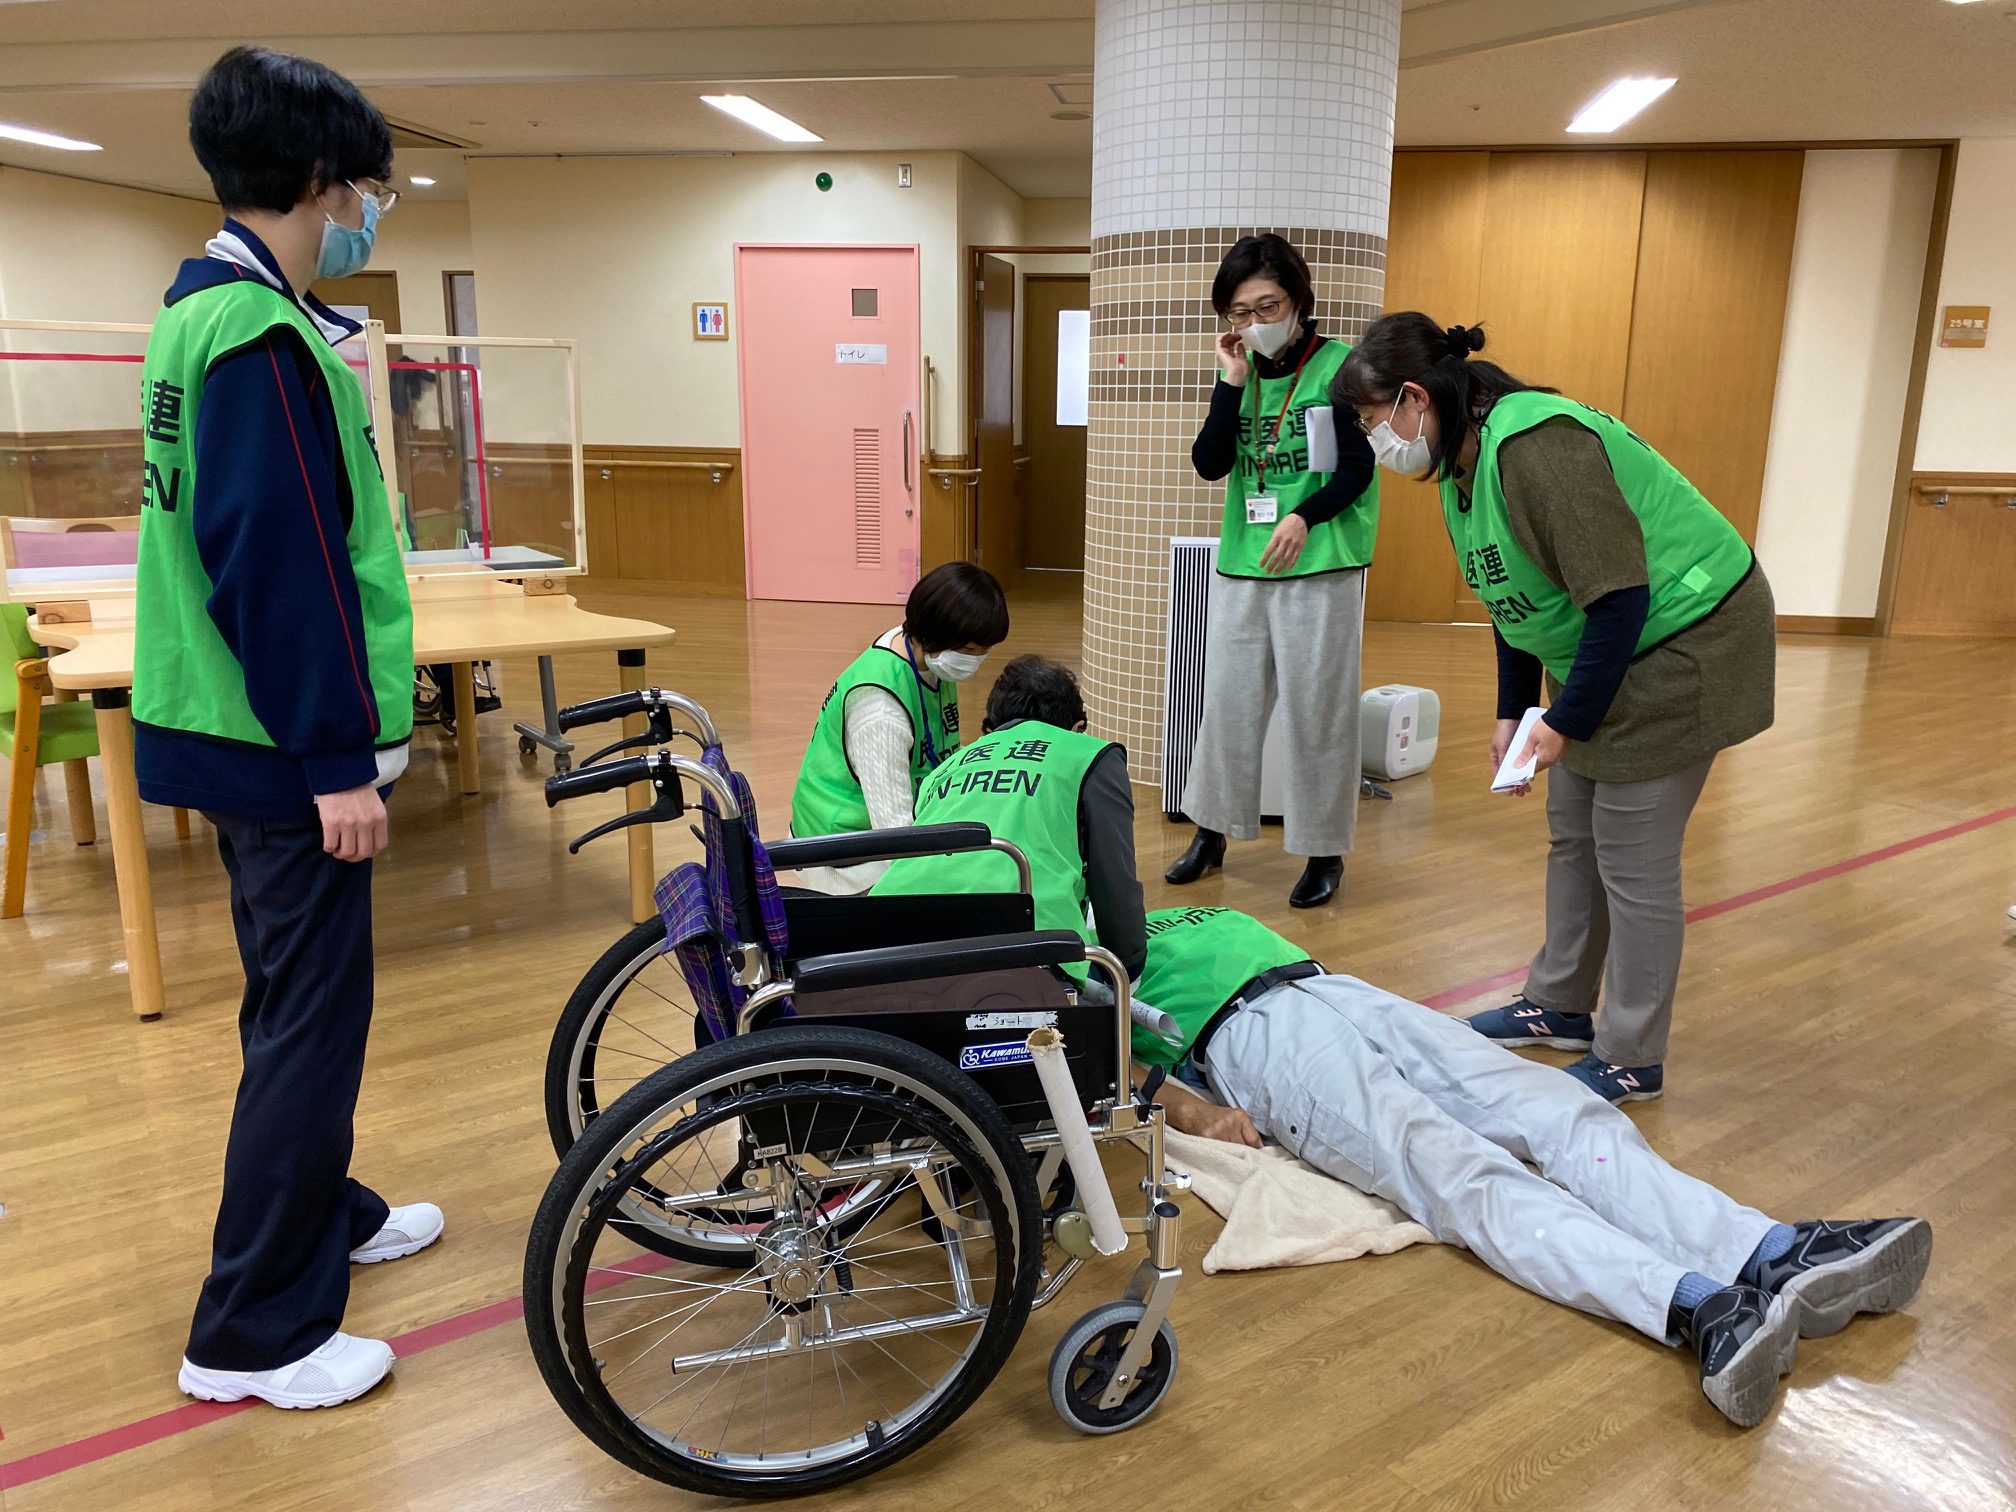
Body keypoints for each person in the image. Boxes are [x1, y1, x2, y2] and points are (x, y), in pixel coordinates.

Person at [1130, 905, 1932, 1429]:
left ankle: (1770, 1251)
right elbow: (1098, 1067)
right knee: (1458, 1172)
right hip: (1255, 1043)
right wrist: (1194, 1112)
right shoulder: (1083, 957)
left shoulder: (1145, 908)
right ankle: (1699, 1304)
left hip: (1343, 992)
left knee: (1558, 1107)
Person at [136, 46, 441, 1412]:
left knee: (293, 1005)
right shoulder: (256, 336)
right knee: (309, 1026)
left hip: (229, 729)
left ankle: (329, 1208)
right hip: (275, 747)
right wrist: (334, 761)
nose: (372, 210)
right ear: (324, 180)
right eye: (371, 187)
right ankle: (253, 1329)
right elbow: (281, 563)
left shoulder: (203, 311)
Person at [1335, 314, 1777, 1103]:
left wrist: (1565, 720)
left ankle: (1632, 1053)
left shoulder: (1539, 448)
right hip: (1613, 645)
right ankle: (1560, 1004)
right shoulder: (1461, 464)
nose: (1376, 441)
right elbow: (1513, 597)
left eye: (1373, 421)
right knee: (1574, 829)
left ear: (1413, 398)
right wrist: (1515, 711)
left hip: (1690, 638)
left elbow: (1620, 597)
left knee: (1633, 854)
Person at [1166, 234, 1380, 911]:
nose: (1254, 322)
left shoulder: (1341, 370)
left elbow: (1357, 469)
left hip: (1321, 565)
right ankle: (1211, 832)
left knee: (1319, 714)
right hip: (1245, 564)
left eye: (1267, 307)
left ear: (1298, 301)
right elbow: (1209, 463)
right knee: (1228, 707)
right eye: (1239, 312)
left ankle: (1324, 852)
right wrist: (1230, 381)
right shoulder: (1243, 371)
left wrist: (1304, 516)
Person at [872, 656, 1146, 982]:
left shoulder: (945, 769)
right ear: (1077, 727)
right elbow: (1116, 886)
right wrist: (1127, 968)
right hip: (1019, 950)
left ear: (992, 726)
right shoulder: (1089, 756)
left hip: (882, 938)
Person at [789, 562, 1009, 894]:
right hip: (847, 856)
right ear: (937, 638)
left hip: (887, 825)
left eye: (984, 652)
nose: (975, 662)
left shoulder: (920, 650)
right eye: (968, 652)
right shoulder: (880, 711)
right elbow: (895, 835)